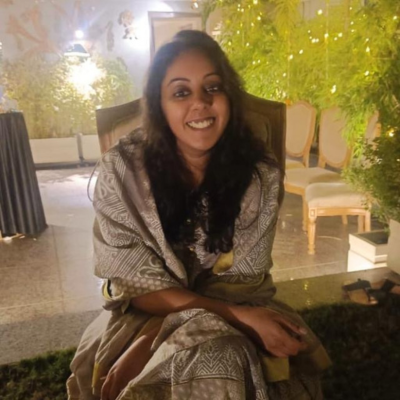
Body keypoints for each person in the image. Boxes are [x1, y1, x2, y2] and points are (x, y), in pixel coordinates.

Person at [67, 30, 331, 400]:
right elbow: (134, 283)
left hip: (238, 305)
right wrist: (153, 333)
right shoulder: (124, 171)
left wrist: (164, 336)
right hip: (143, 314)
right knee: (217, 354)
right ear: (159, 105)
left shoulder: (259, 175)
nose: (200, 103)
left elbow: (242, 284)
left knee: (222, 352)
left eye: (212, 87)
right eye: (181, 92)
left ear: (229, 96)